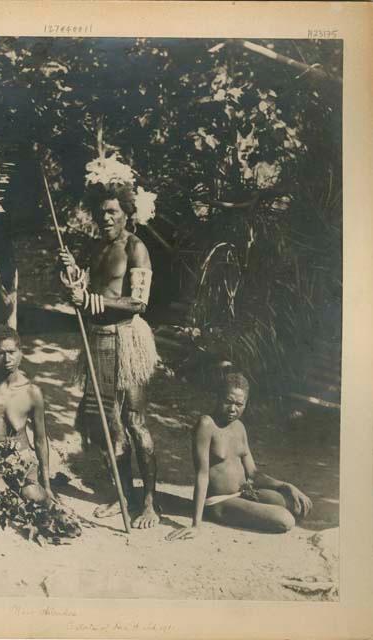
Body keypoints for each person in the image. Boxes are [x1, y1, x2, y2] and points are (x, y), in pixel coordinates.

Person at [59, 183, 160, 528]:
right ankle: (123, 495)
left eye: (112, 212)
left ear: (127, 213)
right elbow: (85, 291)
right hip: (97, 338)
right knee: (104, 423)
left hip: (127, 339)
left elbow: (138, 302)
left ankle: (149, 503)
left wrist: (92, 302)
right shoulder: (95, 247)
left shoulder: (137, 248)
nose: (105, 218)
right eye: (101, 212)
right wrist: (74, 274)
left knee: (134, 422)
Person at [167, 372, 312, 539]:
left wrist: (286, 485)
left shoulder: (239, 427)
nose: (233, 409)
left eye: (239, 404)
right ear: (218, 397)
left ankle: (254, 505)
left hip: (244, 493)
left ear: (245, 404)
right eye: (228, 402)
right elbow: (202, 474)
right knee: (285, 520)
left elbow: (253, 474)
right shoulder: (206, 425)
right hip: (219, 501)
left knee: (297, 506)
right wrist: (195, 524)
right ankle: (219, 513)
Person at [0, 325, 56, 505]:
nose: (7, 359)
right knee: (5, 497)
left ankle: (34, 490)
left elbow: (41, 440)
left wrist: (47, 485)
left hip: (22, 461)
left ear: (21, 352)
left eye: (11, 352)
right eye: (0, 353)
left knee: (35, 497)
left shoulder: (32, 392)